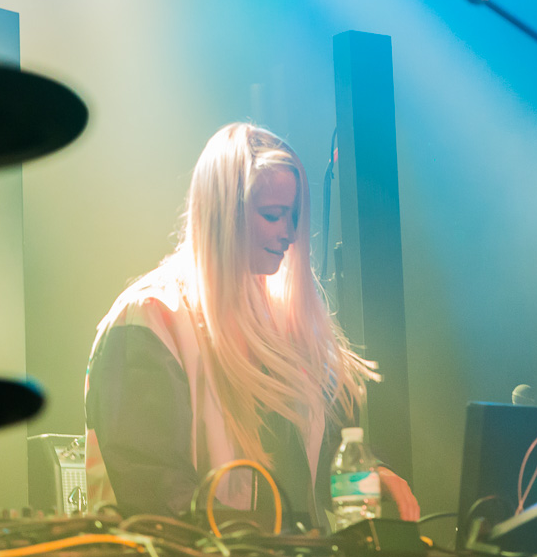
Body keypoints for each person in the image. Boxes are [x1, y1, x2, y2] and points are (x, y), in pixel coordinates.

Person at [84, 123, 419, 528]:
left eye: (294, 216)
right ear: (224, 212)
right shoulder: (152, 317)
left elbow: (318, 457)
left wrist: (369, 475)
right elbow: (153, 487)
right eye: (273, 215)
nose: (289, 234)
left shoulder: (283, 325)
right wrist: (257, 546)